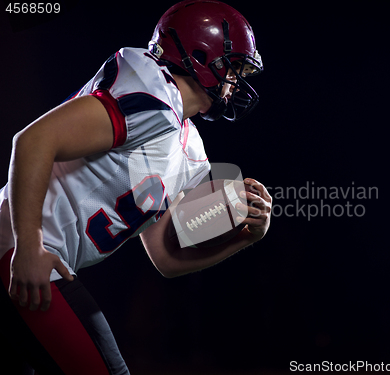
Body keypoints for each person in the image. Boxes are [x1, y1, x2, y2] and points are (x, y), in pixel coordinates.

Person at [0, 1, 272, 374]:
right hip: (19, 253)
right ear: (201, 56)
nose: (234, 82)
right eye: (234, 68)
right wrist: (28, 246)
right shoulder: (151, 91)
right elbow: (32, 141)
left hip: (40, 262)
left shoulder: (191, 151)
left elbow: (165, 258)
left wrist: (244, 237)